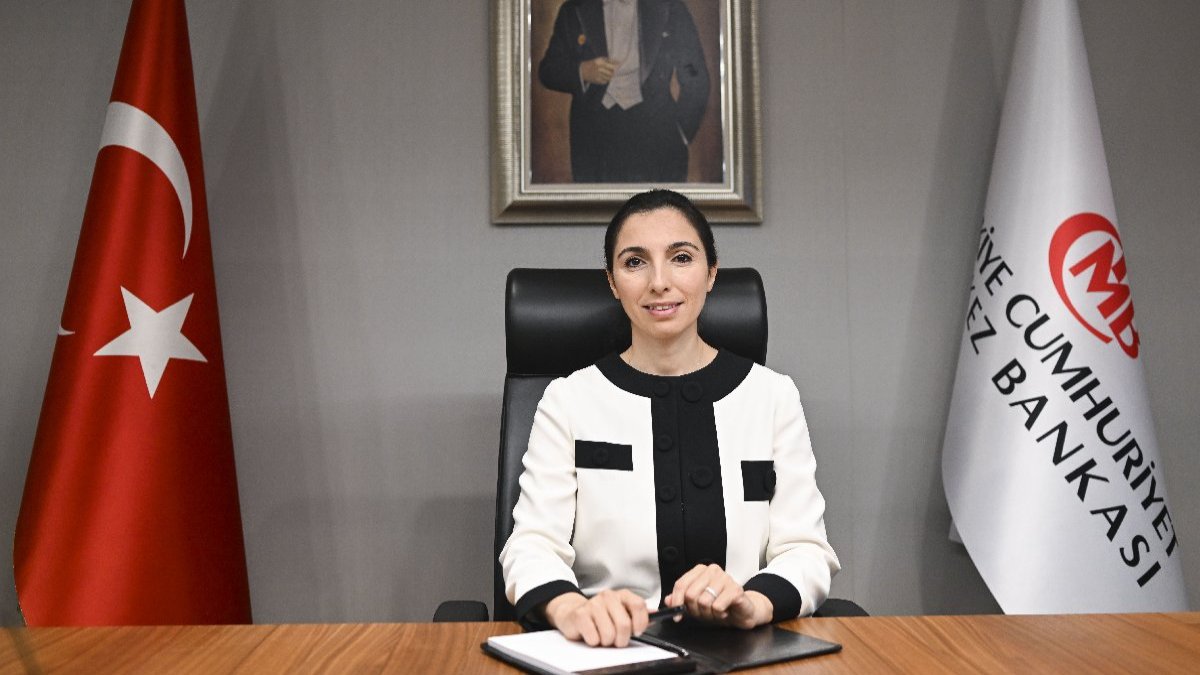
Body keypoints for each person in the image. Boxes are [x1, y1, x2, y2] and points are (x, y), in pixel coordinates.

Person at [499, 190, 840, 648]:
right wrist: (573, 609)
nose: (659, 282)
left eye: (681, 258)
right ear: (612, 282)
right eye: (635, 262)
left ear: (711, 272)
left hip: (743, 648)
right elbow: (532, 544)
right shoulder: (568, 400)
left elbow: (805, 550)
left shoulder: (773, 396)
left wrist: (752, 603)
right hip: (607, 647)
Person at [538, 0, 710, 182]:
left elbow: (695, 73)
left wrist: (682, 133)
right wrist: (582, 71)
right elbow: (548, 71)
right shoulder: (574, 9)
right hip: (595, 137)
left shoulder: (670, 7)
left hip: (657, 135)